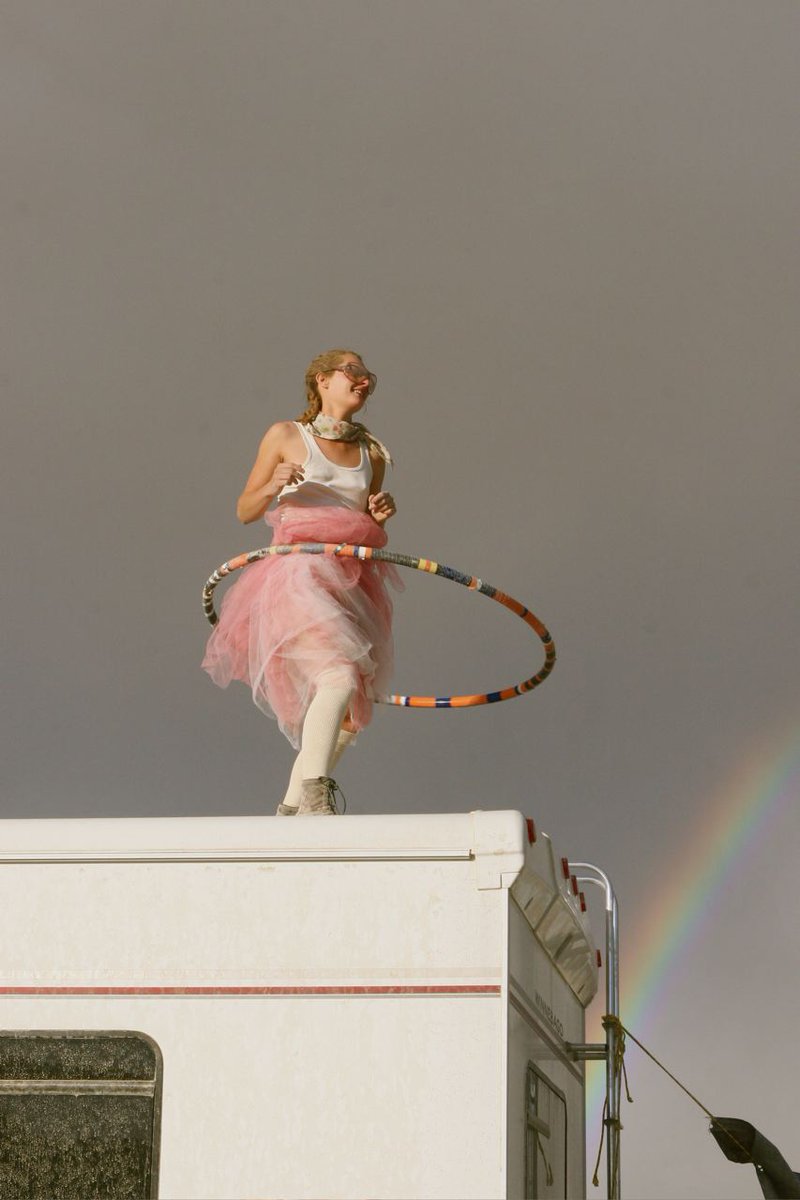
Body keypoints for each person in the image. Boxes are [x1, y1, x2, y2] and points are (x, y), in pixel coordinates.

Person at [202, 349, 399, 816]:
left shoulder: (372, 454)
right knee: (337, 676)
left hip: (350, 582)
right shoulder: (287, 435)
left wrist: (375, 516)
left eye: (367, 375)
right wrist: (273, 484)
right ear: (322, 380)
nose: (362, 381)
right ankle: (315, 794)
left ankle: (290, 812)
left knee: (349, 708)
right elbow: (245, 510)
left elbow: (363, 528)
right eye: (351, 371)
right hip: (297, 574)